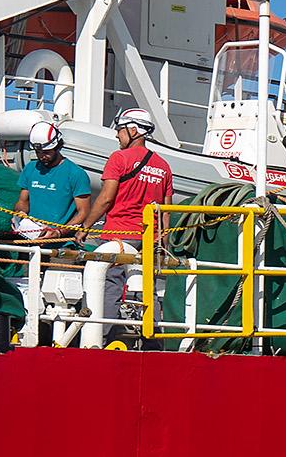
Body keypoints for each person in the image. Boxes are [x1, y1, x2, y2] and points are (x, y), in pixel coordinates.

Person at [79, 108, 173, 343]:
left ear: (133, 130)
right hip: (147, 239)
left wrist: (86, 226)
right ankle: (152, 341)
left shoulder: (118, 159)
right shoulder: (163, 166)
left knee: (108, 286)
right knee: (146, 289)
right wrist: (163, 243)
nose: (117, 136)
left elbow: (106, 198)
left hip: (117, 236)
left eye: (120, 130)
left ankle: (100, 338)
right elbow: (166, 210)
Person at [15, 121, 92, 243]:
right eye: (38, 152)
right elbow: (22, 201)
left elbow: (84, 212)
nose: (41, 156)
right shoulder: (30, 168)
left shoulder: (76, 174)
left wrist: (59, 232)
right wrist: (19, 215)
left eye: (46, 152)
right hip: (31, 239)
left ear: (57, 147)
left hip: (61, 245)